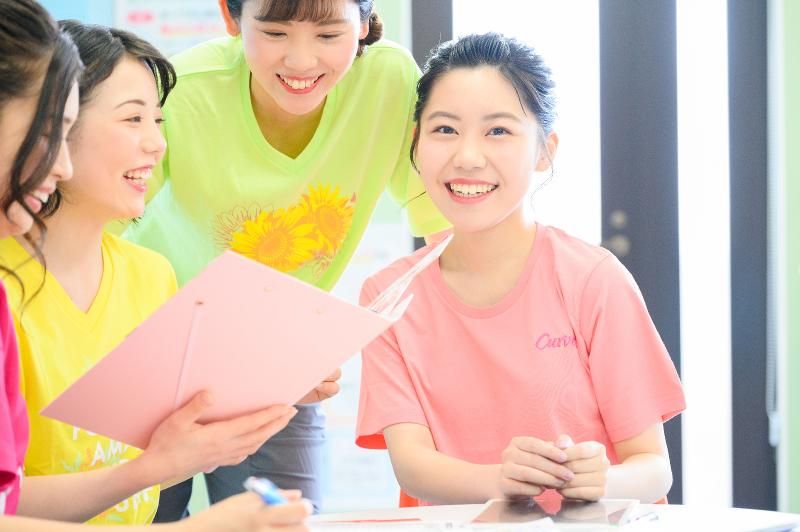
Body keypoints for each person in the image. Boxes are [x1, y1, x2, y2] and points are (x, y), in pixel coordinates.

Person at [121, 0, 448, 518]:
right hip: (154, 352)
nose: (300, 61)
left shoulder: (387, 80)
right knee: (142, 519)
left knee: (286, 520)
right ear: (232, 19)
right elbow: (97, 230)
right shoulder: (184, 90)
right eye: (275, 33)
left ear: (364, 24)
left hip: (276, 366)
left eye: (328, 35)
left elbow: (441, 228)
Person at [0, 4, 310, 527]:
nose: (156, 143)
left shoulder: (151, 275)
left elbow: (152, 461)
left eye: (159, 121)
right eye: (132, 119)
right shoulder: (9, 283)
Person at [356, 33, 686, 506]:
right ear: (416, 144)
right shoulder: (387, 294)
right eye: (445, 129)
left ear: (544, 151)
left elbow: (653, 468)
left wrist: (600, 482)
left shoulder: (594, 280)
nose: (467, 157)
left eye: (498, 131)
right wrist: (502, 481)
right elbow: (413, 468)